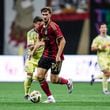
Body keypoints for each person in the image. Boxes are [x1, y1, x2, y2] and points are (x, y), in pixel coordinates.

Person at [32, 7, 73, 103]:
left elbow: (63, 41)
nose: (45, 16)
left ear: (50, 15)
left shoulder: (54, 27)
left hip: (56, 56)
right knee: (39, 76)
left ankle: (68, 82)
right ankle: (50, 98)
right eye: (43, 14)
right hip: (46, 55)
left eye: (46, 14)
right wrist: (33, 50)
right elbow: (39, 40)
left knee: (54, 80)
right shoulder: (40, 27)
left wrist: (58, 55)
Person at [24, 16, 44, 100]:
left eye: (41, 24)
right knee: (29, 75)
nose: (40, 26)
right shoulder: (30, 33)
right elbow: (31, 47)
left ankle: (32, 79)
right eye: (39, 24)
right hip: (31, 58)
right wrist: (41, 43)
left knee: (42, 77)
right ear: (34, 24)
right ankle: (26, 94)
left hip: (42, 58)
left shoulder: (45, 32)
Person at [90, 23, 110, 95]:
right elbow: (92, 48)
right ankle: (105, 90)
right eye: (102, 27)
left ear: (106, 29)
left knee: (107, 74)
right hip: (101, 59)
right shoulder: (97, 39)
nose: (104, 29)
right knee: (107, 73)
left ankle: (94, 78)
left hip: (108, 58)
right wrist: (100, 47)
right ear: (100, 29)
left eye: (105, 27)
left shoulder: (109, 38)